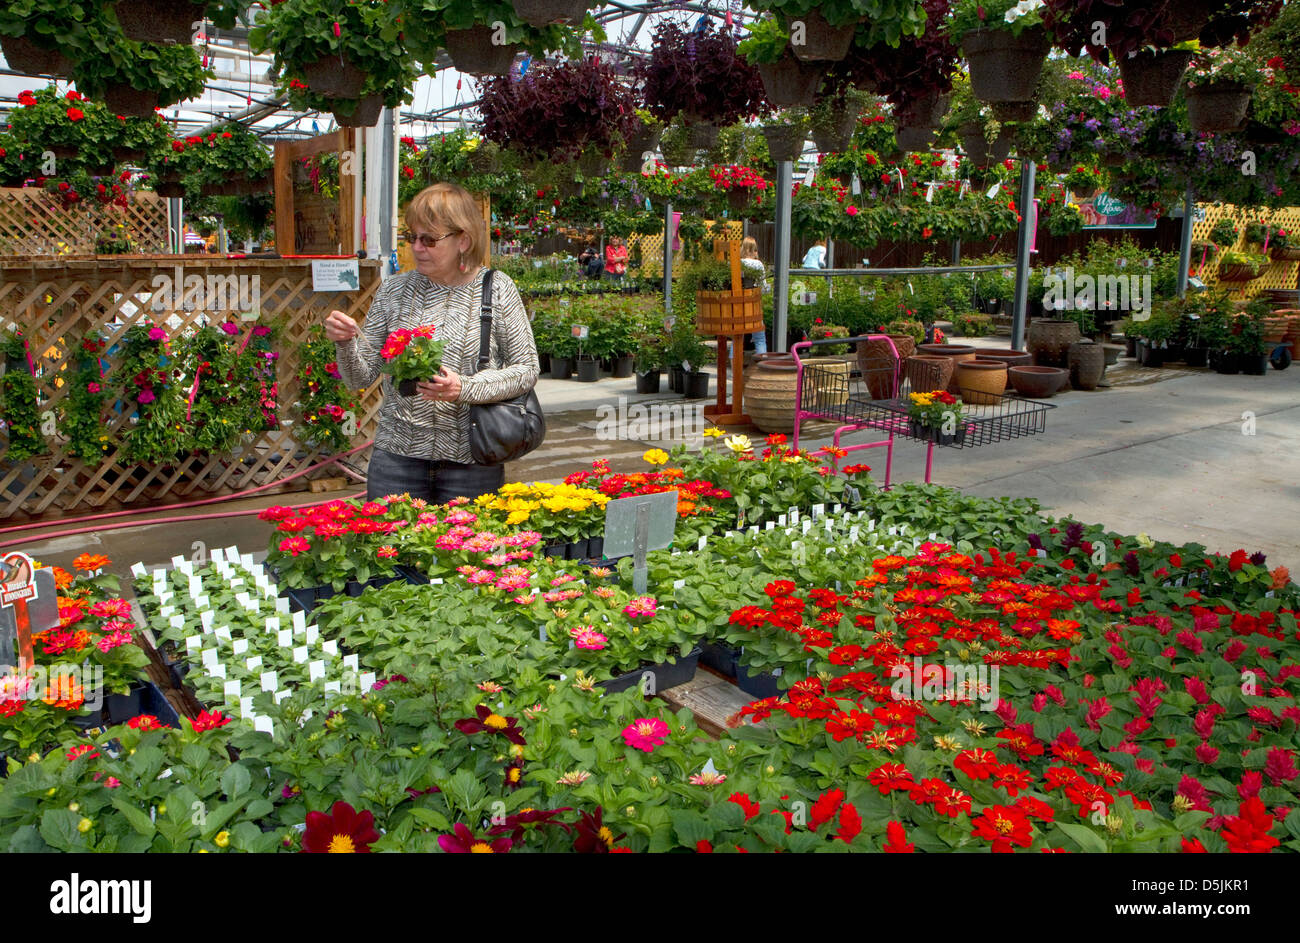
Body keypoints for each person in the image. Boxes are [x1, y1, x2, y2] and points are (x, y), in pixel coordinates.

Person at [323, 182, 540, 505]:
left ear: (463, 240)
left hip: (472, 461)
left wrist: (464, 388)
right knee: (391, 552)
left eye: (429, 239)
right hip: (397, 460)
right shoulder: (395, 290)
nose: (417, 248)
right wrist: (345, 343)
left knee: (468, 555)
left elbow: (526, 370)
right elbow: (359, 377)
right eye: (412, 238)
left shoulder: (496, 289)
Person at [739, 236, 769, 354]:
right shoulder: (758, 264)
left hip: (737, 306)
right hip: (753, 305)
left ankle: (735, 369)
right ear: (754, 249)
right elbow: (763, 287)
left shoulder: (735, 263)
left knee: (737, 339)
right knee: (760, 338)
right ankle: (760, 368)